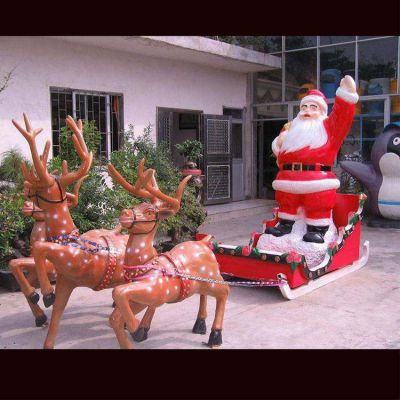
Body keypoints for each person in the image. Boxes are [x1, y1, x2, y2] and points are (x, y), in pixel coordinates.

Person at [266, 76, 358, 243]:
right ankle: (284, 224)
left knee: (318, 203)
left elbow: (342, 117)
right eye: (304, 106)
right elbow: (280, 150)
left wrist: (345, 95)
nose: (307, 110)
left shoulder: (328, 129)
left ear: (322, 111)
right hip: (288, 178)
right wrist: (279, 143)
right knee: (286, 201)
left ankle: (317, 229)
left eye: (313, 107)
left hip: (317, 180)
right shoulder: (293, 128)